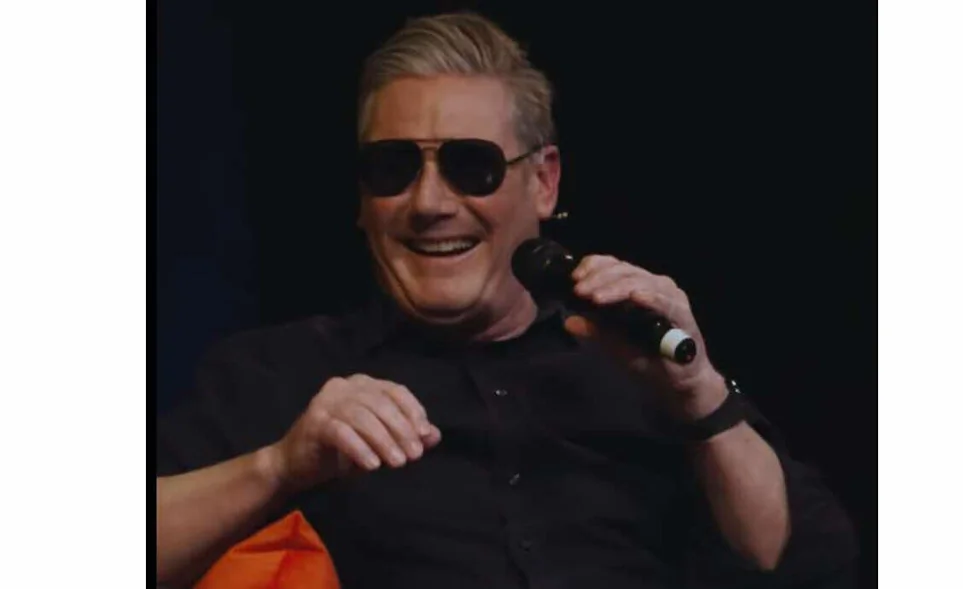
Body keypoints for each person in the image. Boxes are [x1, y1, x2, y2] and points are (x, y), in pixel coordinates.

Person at [156, 11, 858, 588]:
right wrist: (279, 466)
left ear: (544, 183)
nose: (429, 203)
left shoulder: (635, 365)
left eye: (472, 165)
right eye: (394, 167)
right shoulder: (276, 375)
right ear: (362, 199)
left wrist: (699, 394)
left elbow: (809, 566)